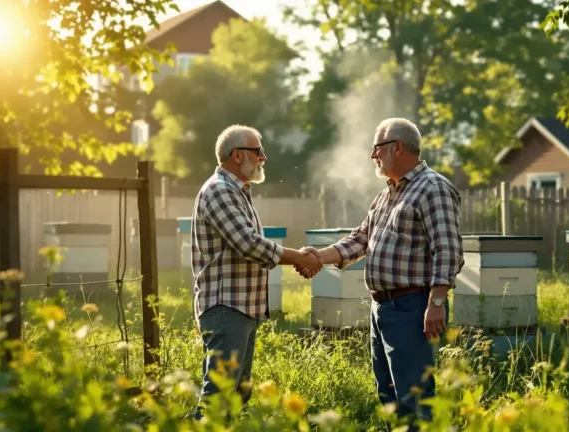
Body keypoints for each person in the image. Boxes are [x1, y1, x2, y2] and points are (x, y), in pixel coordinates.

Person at [297, 118, 464, 428]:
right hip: (382, 308)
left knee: (414, 398)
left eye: (376, 148)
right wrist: (316, 256)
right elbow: (360, 239)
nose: (373, 156)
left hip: (412, 307)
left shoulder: (433, 187)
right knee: (388, 397)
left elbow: (448, 250)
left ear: (397, 147)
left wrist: (436, 302)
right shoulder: (387, 193)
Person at [191, 124, 322, 419]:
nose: (264, 158)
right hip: (227, 308)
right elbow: (249, 244)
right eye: (258, 151)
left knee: (236, 394)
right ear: (238, 155)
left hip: (241, 309)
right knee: (219, 398)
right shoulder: (220, 191)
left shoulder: (237, 191)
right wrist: (299, 257)